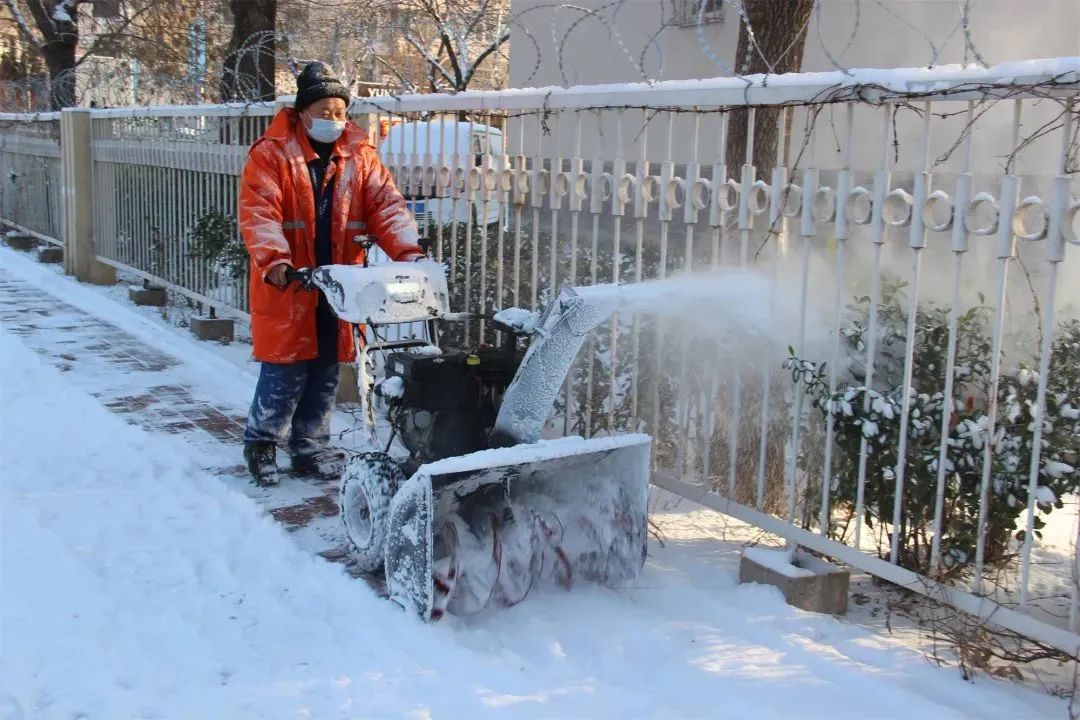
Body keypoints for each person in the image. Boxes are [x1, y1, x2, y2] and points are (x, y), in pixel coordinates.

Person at [238, 61, 423, 485]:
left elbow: (387, 207)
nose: (333, 119)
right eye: (324, 111)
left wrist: (410, 253)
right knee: (285, 368)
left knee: (324, 370)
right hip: (290, 282)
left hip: (339, 281)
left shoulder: (360, 155)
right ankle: (261, 443)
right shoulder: (271, 154)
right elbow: (259, 212)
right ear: (302, 112)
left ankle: (310, 446)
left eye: (340, 111)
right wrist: (276, 261)